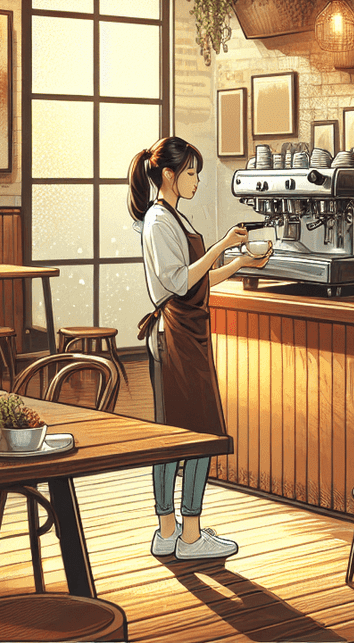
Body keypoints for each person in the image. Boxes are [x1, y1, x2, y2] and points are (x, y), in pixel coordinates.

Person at [129, 136, 269, 560]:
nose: (196, 179)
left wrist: (239, 263)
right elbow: (178, 282)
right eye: (190, 172)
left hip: (190, 334)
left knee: (187, 432)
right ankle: (181, 534)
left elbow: (200, 280)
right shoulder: (158, 221)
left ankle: (176, 532)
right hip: (173, 336)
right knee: (181, 434)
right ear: (168, 175)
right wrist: (222, 245)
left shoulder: (174, 218)